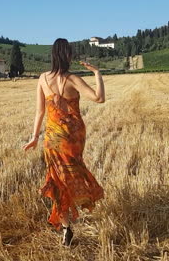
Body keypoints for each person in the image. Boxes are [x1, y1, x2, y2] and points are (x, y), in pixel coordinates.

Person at [22, 38, 105, 246]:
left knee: (57, 180)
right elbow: (99, 98)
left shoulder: (42, 78)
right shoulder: (73, 79)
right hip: (73, 136)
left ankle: (66, 226)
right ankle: (82, 198)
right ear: (67, 55)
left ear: (52, 55)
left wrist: (34, 137)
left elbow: (40, 111)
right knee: (74, 172)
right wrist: (97, 73)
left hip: (52, 137)